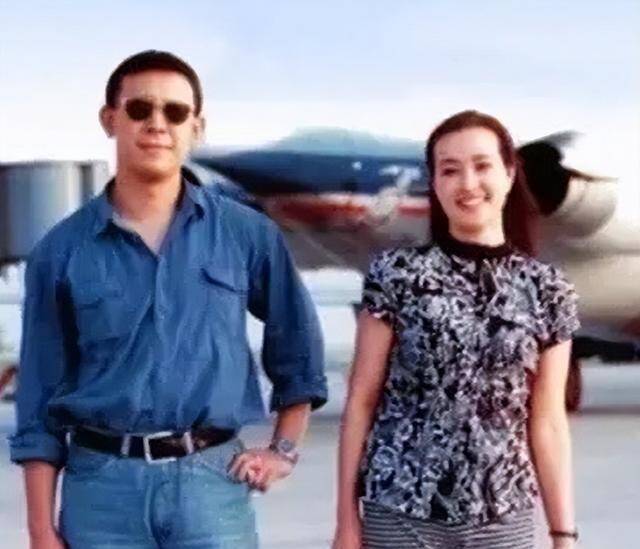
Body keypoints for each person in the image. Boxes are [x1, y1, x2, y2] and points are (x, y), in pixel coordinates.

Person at [10, 50, 327, 549]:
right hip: (101, 496)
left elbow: (298, 344)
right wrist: (39, 530)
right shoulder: (61, 250)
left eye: (175, 112)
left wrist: (283, 449)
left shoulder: (246, 234)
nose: (157, 124)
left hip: (212, 487)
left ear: (196, 128)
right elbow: (38, 397)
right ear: (109, 119)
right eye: (140, 109)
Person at [332, 110, 580, 549]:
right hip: (401, 513)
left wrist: (564, 534)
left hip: (503, 517)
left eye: (482, 166)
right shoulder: (396, 274)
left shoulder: (548, 289)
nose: (468, 183)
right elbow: (361, 402)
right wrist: (347, 521)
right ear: (435, 182)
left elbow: (548, 421)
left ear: (508, 173)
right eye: (450, 170)